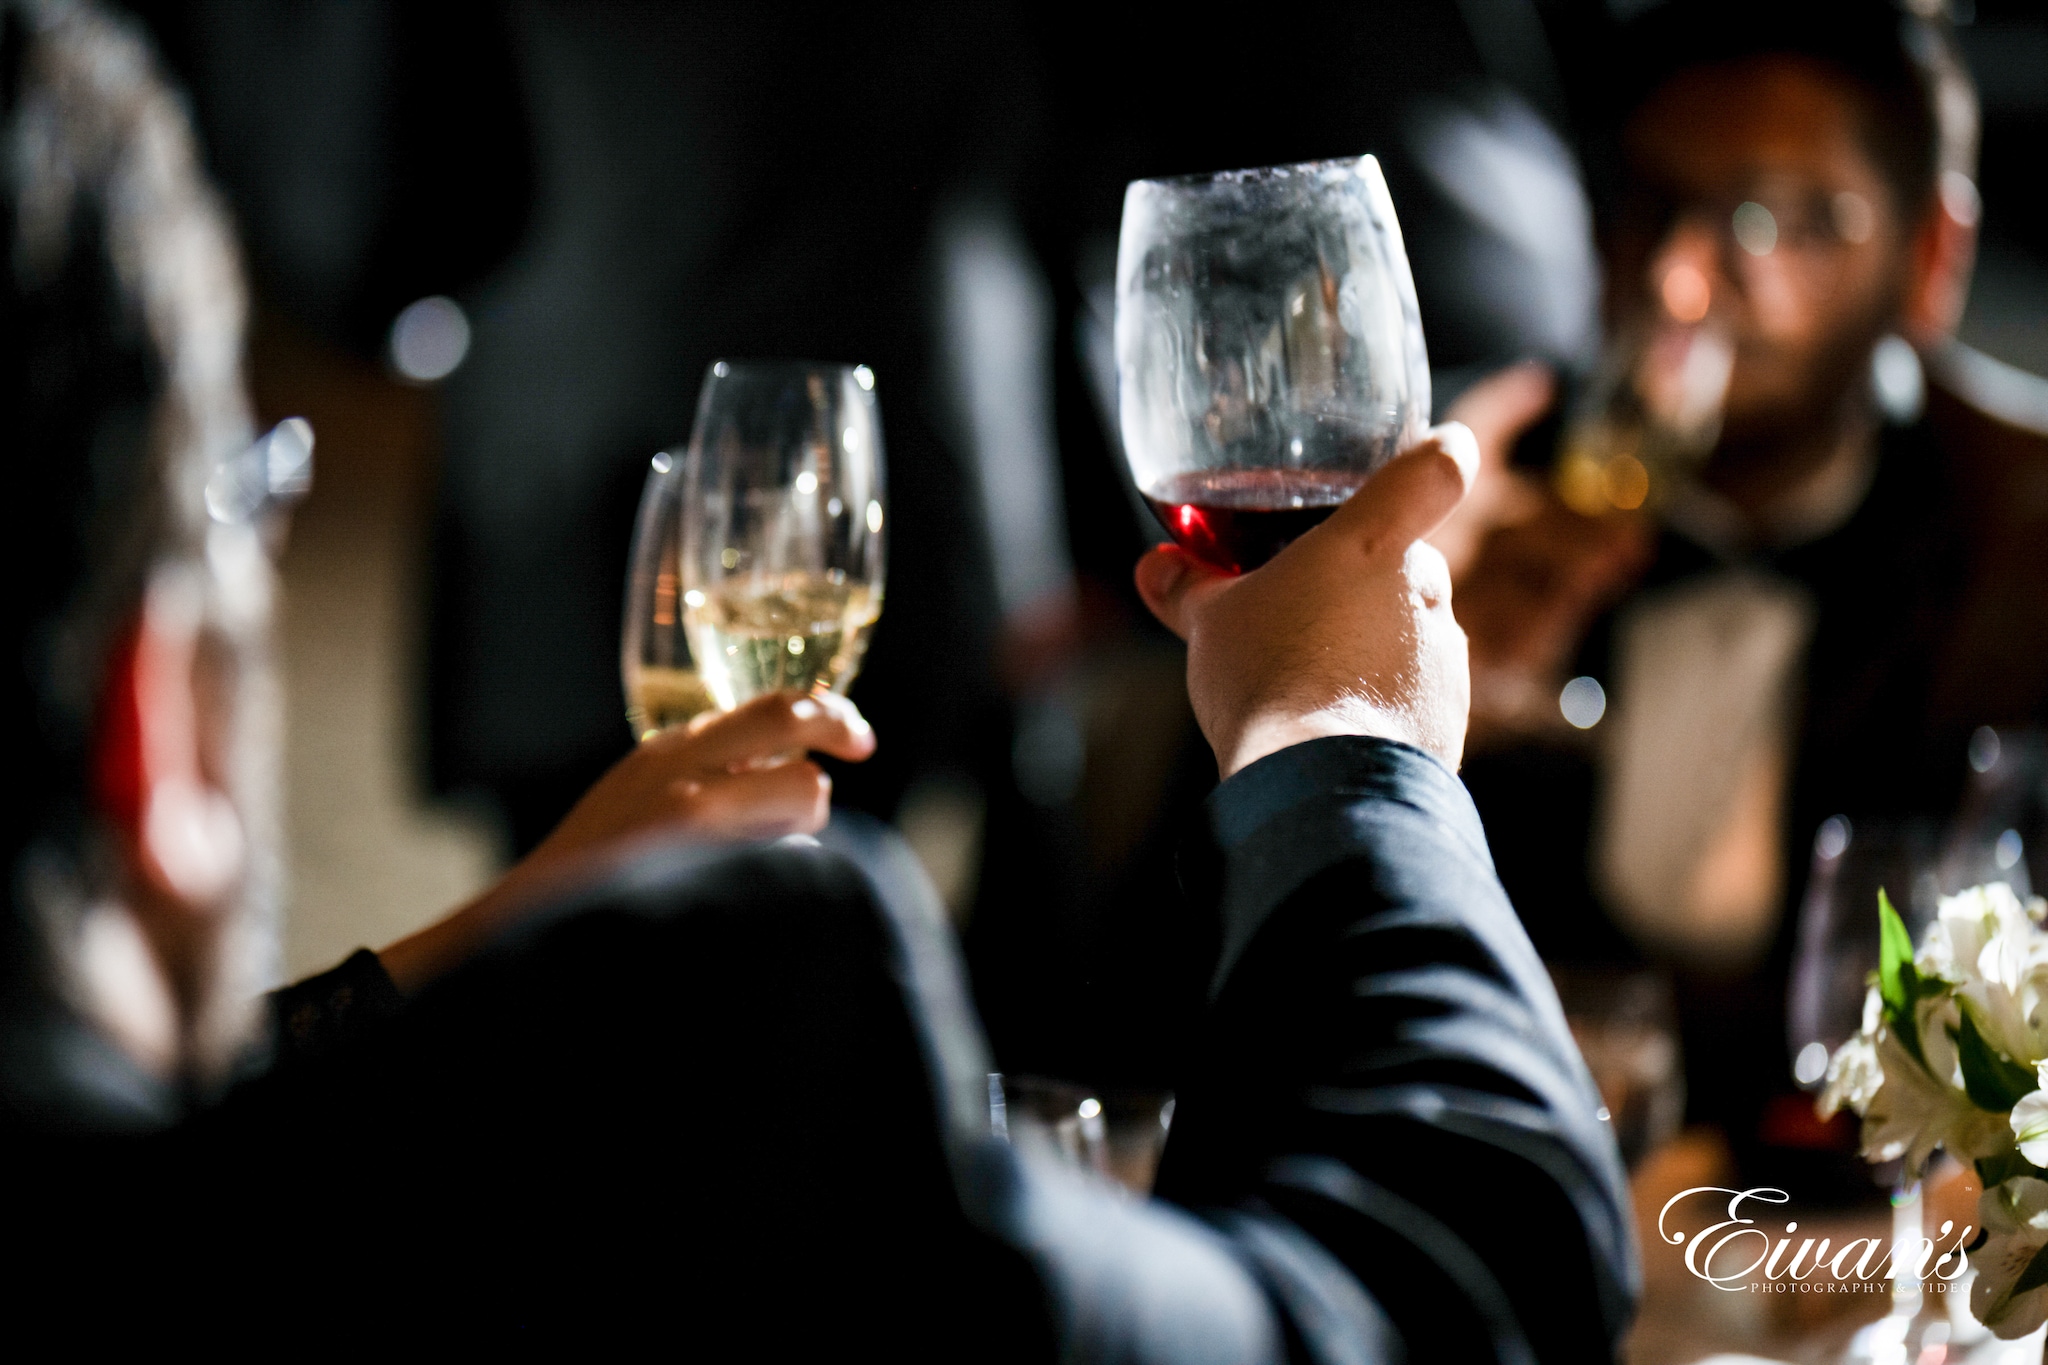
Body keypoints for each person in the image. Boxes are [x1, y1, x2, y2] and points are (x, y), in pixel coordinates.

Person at [5, 1, 1635, 1356]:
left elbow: (345, 185)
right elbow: (1457, 1295)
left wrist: (468, 959)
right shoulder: (769, 1098)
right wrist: (1343, 745)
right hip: (918, 447)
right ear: (159, 720)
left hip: (584, 445)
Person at [1439, 0, 2048, 1184]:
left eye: (1771, 221)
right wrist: (1422, 725)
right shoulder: (1471, 509)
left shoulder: (2021, 547)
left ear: (1929, 261)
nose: (1674, 281)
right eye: (1649, 208)